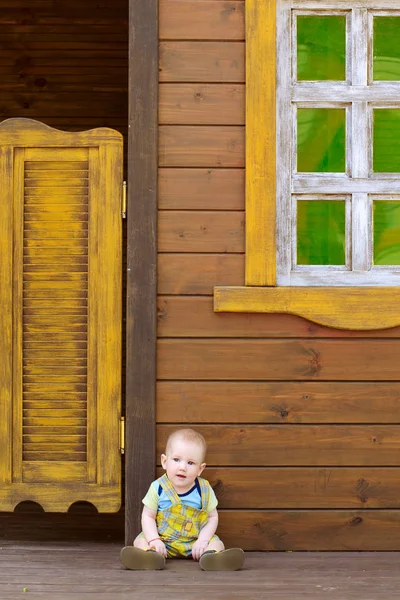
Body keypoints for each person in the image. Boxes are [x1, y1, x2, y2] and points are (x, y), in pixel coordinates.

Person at [120, 428, 244, 571]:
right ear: (164, 461)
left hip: (195, 543)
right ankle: (150, 556)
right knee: (140, 540)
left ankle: (211, 557)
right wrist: (154, 539)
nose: (182, 467)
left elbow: (212, 517)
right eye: (176, 460)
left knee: (217, 543)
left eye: (190, 463)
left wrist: (203, 540)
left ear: (200, 469)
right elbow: (148, 516)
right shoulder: (158, 488)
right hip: (164, 543)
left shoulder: (204, 489)